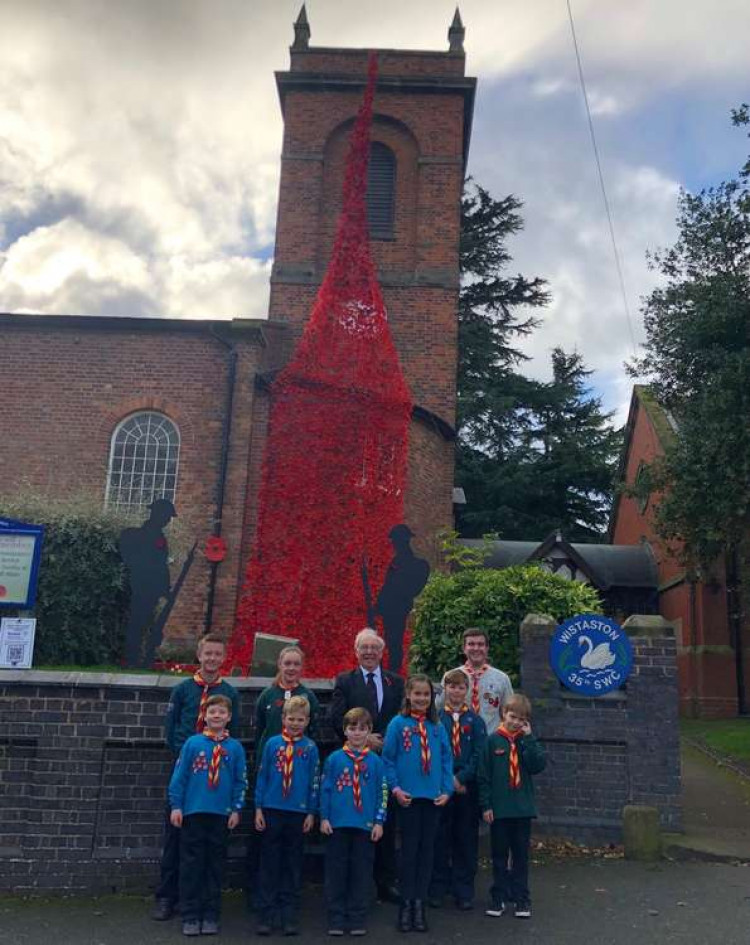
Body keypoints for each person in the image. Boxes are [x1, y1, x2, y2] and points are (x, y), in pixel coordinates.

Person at [153, 634, 240, 922]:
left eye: (217, 654)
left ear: (223, 658)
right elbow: (170, 727)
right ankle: (167, 896)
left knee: (203, 844)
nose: (212, 659)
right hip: (185, 769)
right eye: (207, 653)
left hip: (212, 777)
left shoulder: (229, 692)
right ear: (199, 656)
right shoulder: (182, 690)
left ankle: (199, 901)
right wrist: (183, 754)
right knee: (175, 836)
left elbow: (233, 729)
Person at [329, 628, 404, 903]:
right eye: (364, 647)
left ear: (382, 652)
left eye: (374, 648)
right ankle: (356, 886)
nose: (369, 652)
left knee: (384, 819)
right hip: (355, 763)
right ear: (356, 650)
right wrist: (365, 739)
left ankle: (385, 882)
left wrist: (383, 740)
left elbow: (400, 716)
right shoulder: (345, 681)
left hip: (386, 761)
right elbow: (336, 717)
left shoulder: (395, 682)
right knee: (358, 820)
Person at [247, 645, 320, 908]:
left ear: (302, 667)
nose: (291, 668)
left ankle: (287, 904)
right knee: (265, 848)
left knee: (291, 854)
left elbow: (315, 732)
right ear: (279, 664)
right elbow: (259, 734)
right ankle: (260, 898)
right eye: (286, 663)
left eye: (296, 664)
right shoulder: (267, 695)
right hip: (272, 781)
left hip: (297, 790)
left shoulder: (308, 696)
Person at [168, 694, 247, 936]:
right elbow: (179, 777)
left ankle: (211, 914)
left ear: (229, 717)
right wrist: (176, 806)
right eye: (212, 712)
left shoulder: (234, 748)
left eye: (221, 713)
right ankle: (190, 914)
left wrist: (236, 808)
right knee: (192, 865)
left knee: (215, 865)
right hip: (193, 812)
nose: (216, 716)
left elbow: (240, 781)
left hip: (220, 814)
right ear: (205, 715)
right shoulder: (192, 744)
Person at [383, 674, 453, 933]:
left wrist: (447, 790)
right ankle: (406, 904)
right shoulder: (397, 724)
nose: (422, 699)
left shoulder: (437, 727)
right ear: (408, 696)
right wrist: (396, 789)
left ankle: (420, 905)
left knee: (427, 853)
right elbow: (388, 759)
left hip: (433, 798)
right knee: (408, 853)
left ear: (431, 698)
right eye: (417, 694)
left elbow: (446, 760)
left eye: (426, 694)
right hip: (408, 799)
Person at [254, 695, 320, 936]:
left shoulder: (310, 748)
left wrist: (311, 812)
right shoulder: (272, 744)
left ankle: (289, 913)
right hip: (272, 809)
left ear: (307, 721)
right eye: (291, 718)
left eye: (300, 719)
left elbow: (314, 782)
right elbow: (262, 776)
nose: (295, 723)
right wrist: (259, 807)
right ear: (283, 718)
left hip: (298, 812)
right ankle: (266, 913)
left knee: (293, 863)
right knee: (270, 863)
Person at [320, 707, 388, 936]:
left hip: (365, 825)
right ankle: (336, 916)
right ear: (345, 731)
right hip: (338, 824)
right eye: (352, 728)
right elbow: (326, 790)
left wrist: (379, 821)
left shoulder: (376, 762)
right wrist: (324, 817)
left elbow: (383, 792)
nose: (357, 733)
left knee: (361, 872)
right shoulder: (334, 759)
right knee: (337, 871)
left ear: (369, 732)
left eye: (362, 729)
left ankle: (357, 916)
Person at [478, 692, 546, 920]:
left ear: (526, 722)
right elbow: (484, 777)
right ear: (503, 714)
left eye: (521, 719)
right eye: (512, 716)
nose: (515, 722)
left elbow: (537, 765)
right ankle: (499, 896)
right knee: (498, 856)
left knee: (520, 856)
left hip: (522, 809)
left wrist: (528, 738)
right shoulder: (492, 741)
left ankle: (521, 898)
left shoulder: (526, 742)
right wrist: (485, 805)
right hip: (499, 809)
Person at [429, 669, 486, 911]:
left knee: (465, 839)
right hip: (442, 789)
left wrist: (462, 778)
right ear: (445, 690)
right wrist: (447, 781)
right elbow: (432, 754)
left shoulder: (476, 721)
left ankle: (464, 890)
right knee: (440, 840)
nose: (455, 691)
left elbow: (479, 755)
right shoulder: (435, 720)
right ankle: (438, 888)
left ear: (468, 691)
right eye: (451, 686)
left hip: (465, 789)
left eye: (461, 687)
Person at [118, 497, 175, 668]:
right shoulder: (145, 536)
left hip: (151, 589)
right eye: (166, 516)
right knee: (138, 624)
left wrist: (165, 589)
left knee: (146, 624)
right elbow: (153, 565)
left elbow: (162, 565)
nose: (167, 520)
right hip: (142, 588)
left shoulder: (158, 536)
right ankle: (133, 658)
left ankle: (141, 657)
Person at [375, 524, 430, 674]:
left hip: (397, 608)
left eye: (395, 541)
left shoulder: (409, 563)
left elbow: (395, 588)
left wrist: (380, 606)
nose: (393, 544)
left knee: (394, 643)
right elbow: (387, 586)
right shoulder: (397, 561)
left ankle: (393, 673)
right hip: (389, 607)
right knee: (389, 641)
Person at [444, 628, 513, 734]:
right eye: (471, 644)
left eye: (480, 644)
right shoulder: (449, 677)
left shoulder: (502, 679)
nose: (476, 648)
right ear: (464, 648)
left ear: (487, 648)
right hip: (458, 741)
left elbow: (509, 713)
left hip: (490, 742)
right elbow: (438, 711)